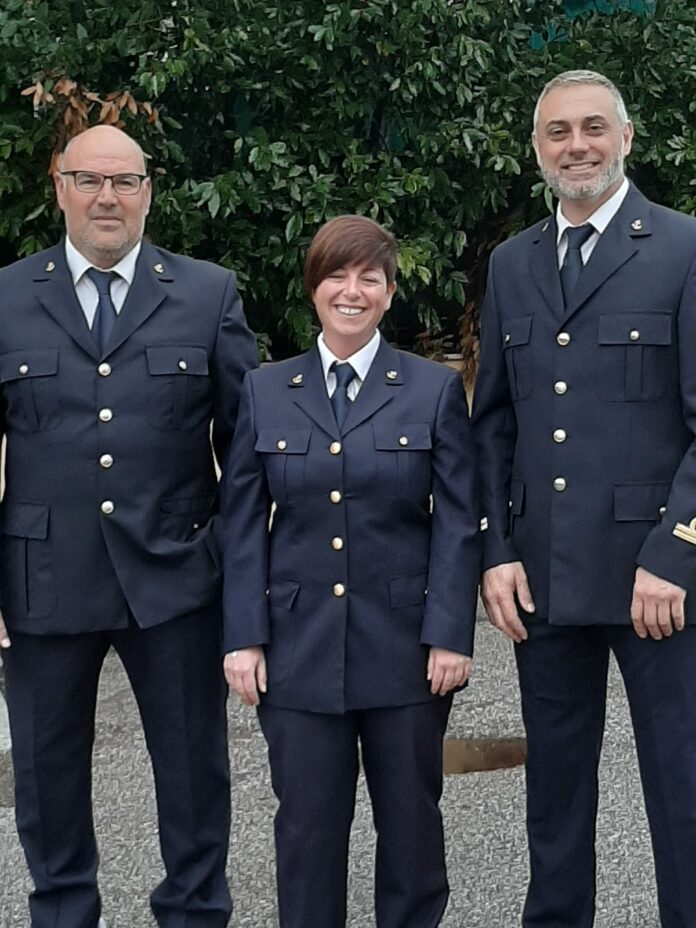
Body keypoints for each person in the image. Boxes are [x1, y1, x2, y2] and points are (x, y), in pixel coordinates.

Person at [0, 124, 258, 928]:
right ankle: (63, 914)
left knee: (194, 777)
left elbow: (247, 453)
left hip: (175, 579)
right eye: (89, 180)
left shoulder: (208, 294)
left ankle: (194, 912)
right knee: (46, 781)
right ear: (60, 189)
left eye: (124, 182)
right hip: (42, 582)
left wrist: (232, 573)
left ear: (148, 193)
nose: (106, 197)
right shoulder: (6, 296)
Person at [472, 69, 696, 927]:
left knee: (682, 788)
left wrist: (676, 552)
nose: (577, 146)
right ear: (537, 148)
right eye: (558, 131)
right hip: (546, 578)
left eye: (594, 128)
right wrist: (496, 550)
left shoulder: (681, 248)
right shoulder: (512, 263)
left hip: (655, 583)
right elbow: (493, 422)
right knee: (555, 797)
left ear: (626, 138)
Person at [221, 215, 480, 928]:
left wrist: (450, 633)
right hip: (298, 649)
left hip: (405, 650)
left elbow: (458, 521)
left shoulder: (430, 390)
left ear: (390, 293)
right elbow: (241, 522)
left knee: (412, 831)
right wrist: (243, 636)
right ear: (314, 288)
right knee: (306, 834)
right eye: (337, 275)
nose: (352, 291)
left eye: (370, 277)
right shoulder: (266, 390)